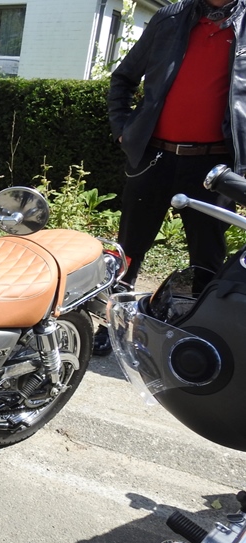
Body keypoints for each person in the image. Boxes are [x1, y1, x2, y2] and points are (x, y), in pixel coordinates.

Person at [96, 0, 246, 355]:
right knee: (129, 250)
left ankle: (196, 336)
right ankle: (113, 327)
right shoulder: (169, 18)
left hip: (213, 166)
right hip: (154, 157)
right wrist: (123, 130)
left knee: (206, 259)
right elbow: (123, 77)